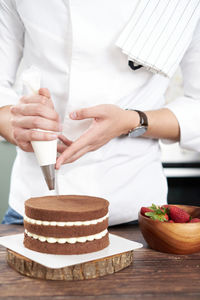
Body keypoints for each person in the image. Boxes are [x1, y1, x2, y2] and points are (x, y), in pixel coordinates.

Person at [0, 0, 200, 225]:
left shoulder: (185, 4)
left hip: (133, 211)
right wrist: (15, 125)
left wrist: (132, 121)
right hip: (33, 204)